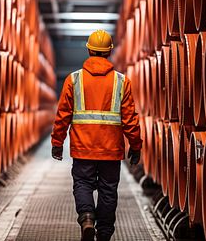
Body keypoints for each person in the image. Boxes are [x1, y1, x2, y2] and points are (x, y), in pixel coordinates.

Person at [50, 30, 143, 241]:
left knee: (82, 184)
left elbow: (63, 115)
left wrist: (57, 142)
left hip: (83, 148)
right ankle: (104, 235)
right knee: (108, 191)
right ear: (109, 52)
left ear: (89, 50)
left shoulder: (73, 80)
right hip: (111, 150)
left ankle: (87, 218)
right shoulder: (122, 81)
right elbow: (130, 119)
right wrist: (135, 146)